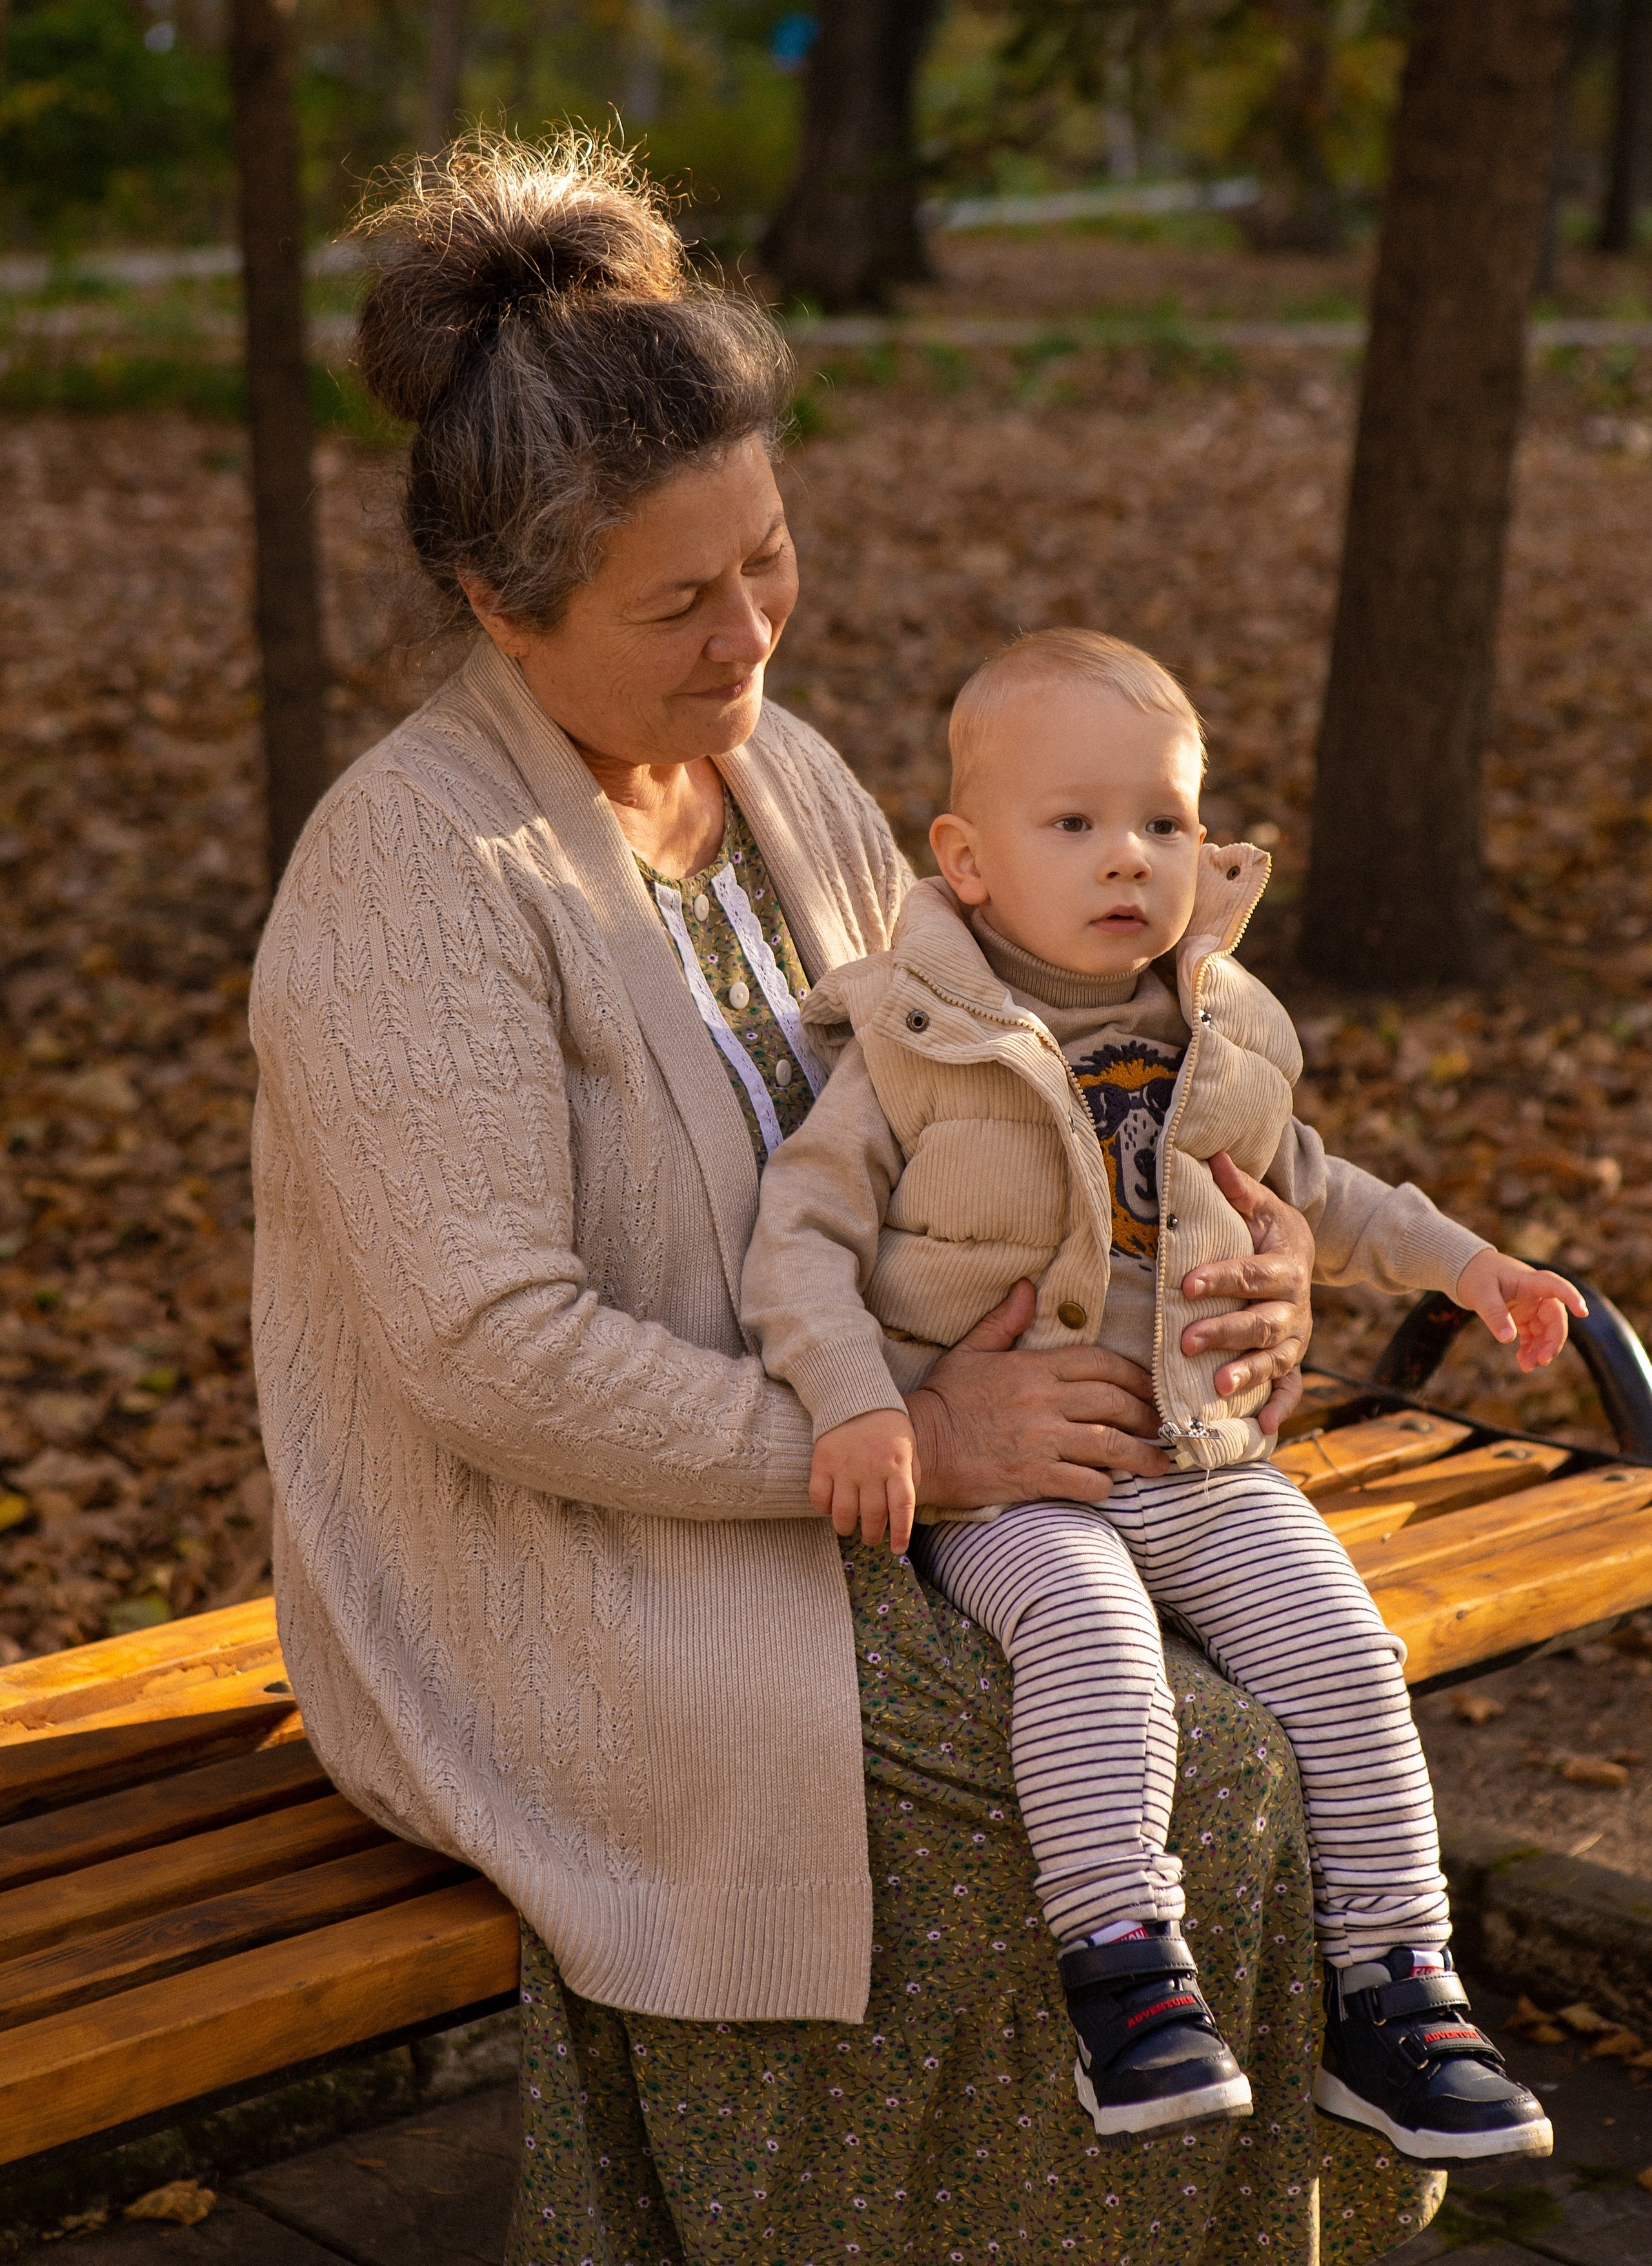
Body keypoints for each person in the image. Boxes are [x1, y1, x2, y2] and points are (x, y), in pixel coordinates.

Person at [250, 134, 1445, 2264]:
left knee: (1263, 1716)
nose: (751, 639)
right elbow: (489, 1355)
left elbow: (999, 1092)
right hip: (562, 1565)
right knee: (1151, 1796)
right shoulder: (410, 875)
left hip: (881, 1465)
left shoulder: (771, 772)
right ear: (497, 605)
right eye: (680, 603)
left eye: (769, 560)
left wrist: (1218, 1248)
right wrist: (895, 1434)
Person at [741, 626, 1578, 2166]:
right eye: (1072, 824)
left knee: (1341, 1648)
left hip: (1198, 1451)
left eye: (1163, 822)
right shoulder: (916, 1046)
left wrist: (1471, 1271)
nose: (1126, 857)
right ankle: (1125, 1982)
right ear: (967, 859)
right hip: (1009, 1479)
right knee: (1095, 1643)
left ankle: (1396, 1994)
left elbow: (1314, 1188)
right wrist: (862, 1405)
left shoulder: (1216, 1031)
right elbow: (797, 1239)